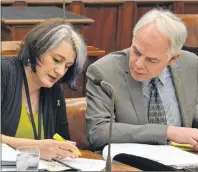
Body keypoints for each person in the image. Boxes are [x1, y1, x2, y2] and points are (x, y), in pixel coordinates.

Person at [85, 9, 198, 150]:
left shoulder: (191, 65)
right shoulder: (104, 72)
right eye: (136, 52)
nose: (138, 64)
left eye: (151, 60)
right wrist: (167, 132)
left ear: (173, 59)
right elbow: (98, 132)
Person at [1, 18, 87, 160]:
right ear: (37, 49)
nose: (60, 71)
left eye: (67, 66)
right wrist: (35, 148)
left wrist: (64, 150)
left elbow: (61, 137)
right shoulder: (3, 72)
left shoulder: (54, 90)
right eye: (57, 60)